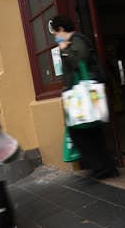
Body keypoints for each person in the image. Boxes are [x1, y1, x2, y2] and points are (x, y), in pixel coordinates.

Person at [50, 14, 118, 179]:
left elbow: (80, 60)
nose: (55, 36)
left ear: (60, 29)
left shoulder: (77, 40)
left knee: (84, 133)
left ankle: (103, 168)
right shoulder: (71, 41)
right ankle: (104, 168)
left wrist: (65, 50)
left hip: (83, 94)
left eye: (55, 32)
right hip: (80, 95)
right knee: (88, 132)